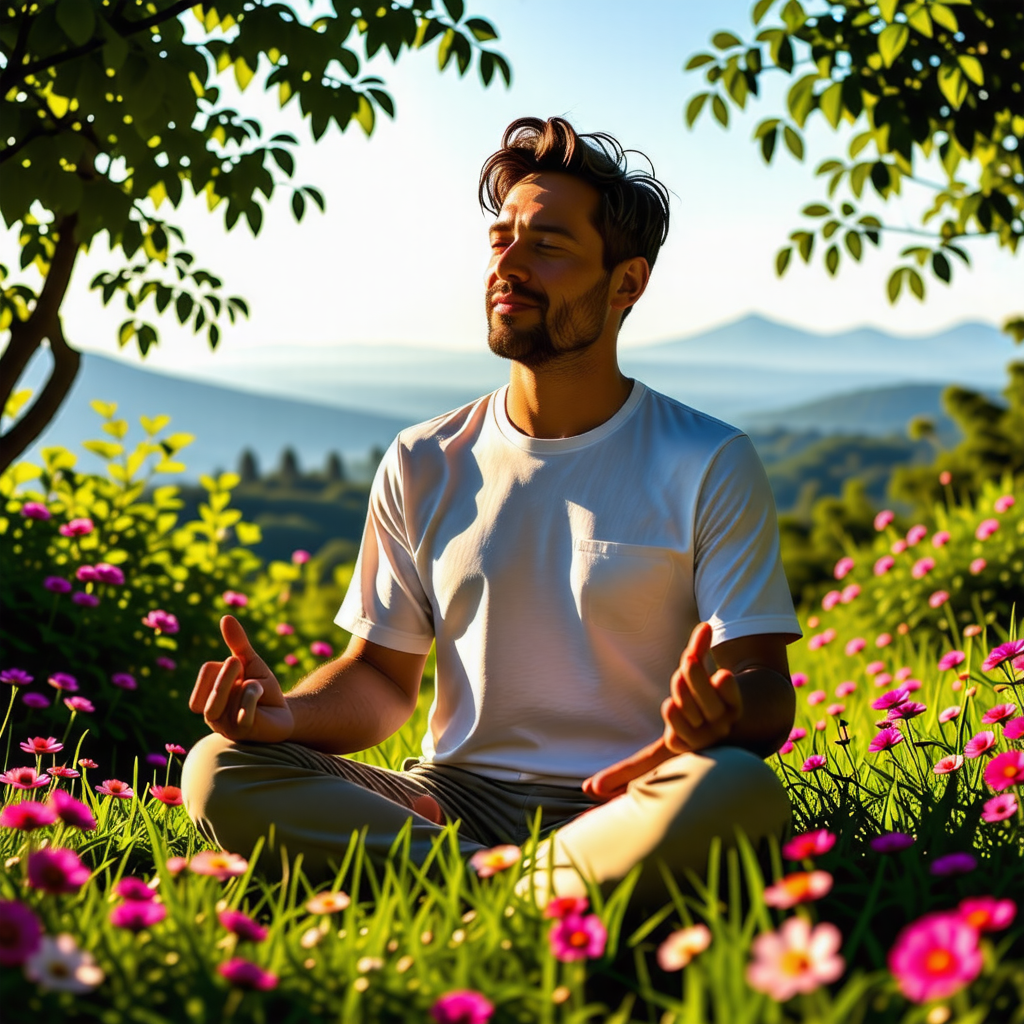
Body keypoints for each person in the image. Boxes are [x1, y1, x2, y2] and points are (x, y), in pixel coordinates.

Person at [181, 116, 800, 909]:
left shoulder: (707, 459)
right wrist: (285, 717)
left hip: (625, 798)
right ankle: (515, 888)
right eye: (501, 239)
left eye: (548, 244)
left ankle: (462, 886)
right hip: (449, 799)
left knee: (738, 786)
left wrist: (723, 715)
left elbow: (763, 682)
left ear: (627, 284)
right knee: (218, 766)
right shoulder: (424, 458)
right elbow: (379, 679)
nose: (507, 263)